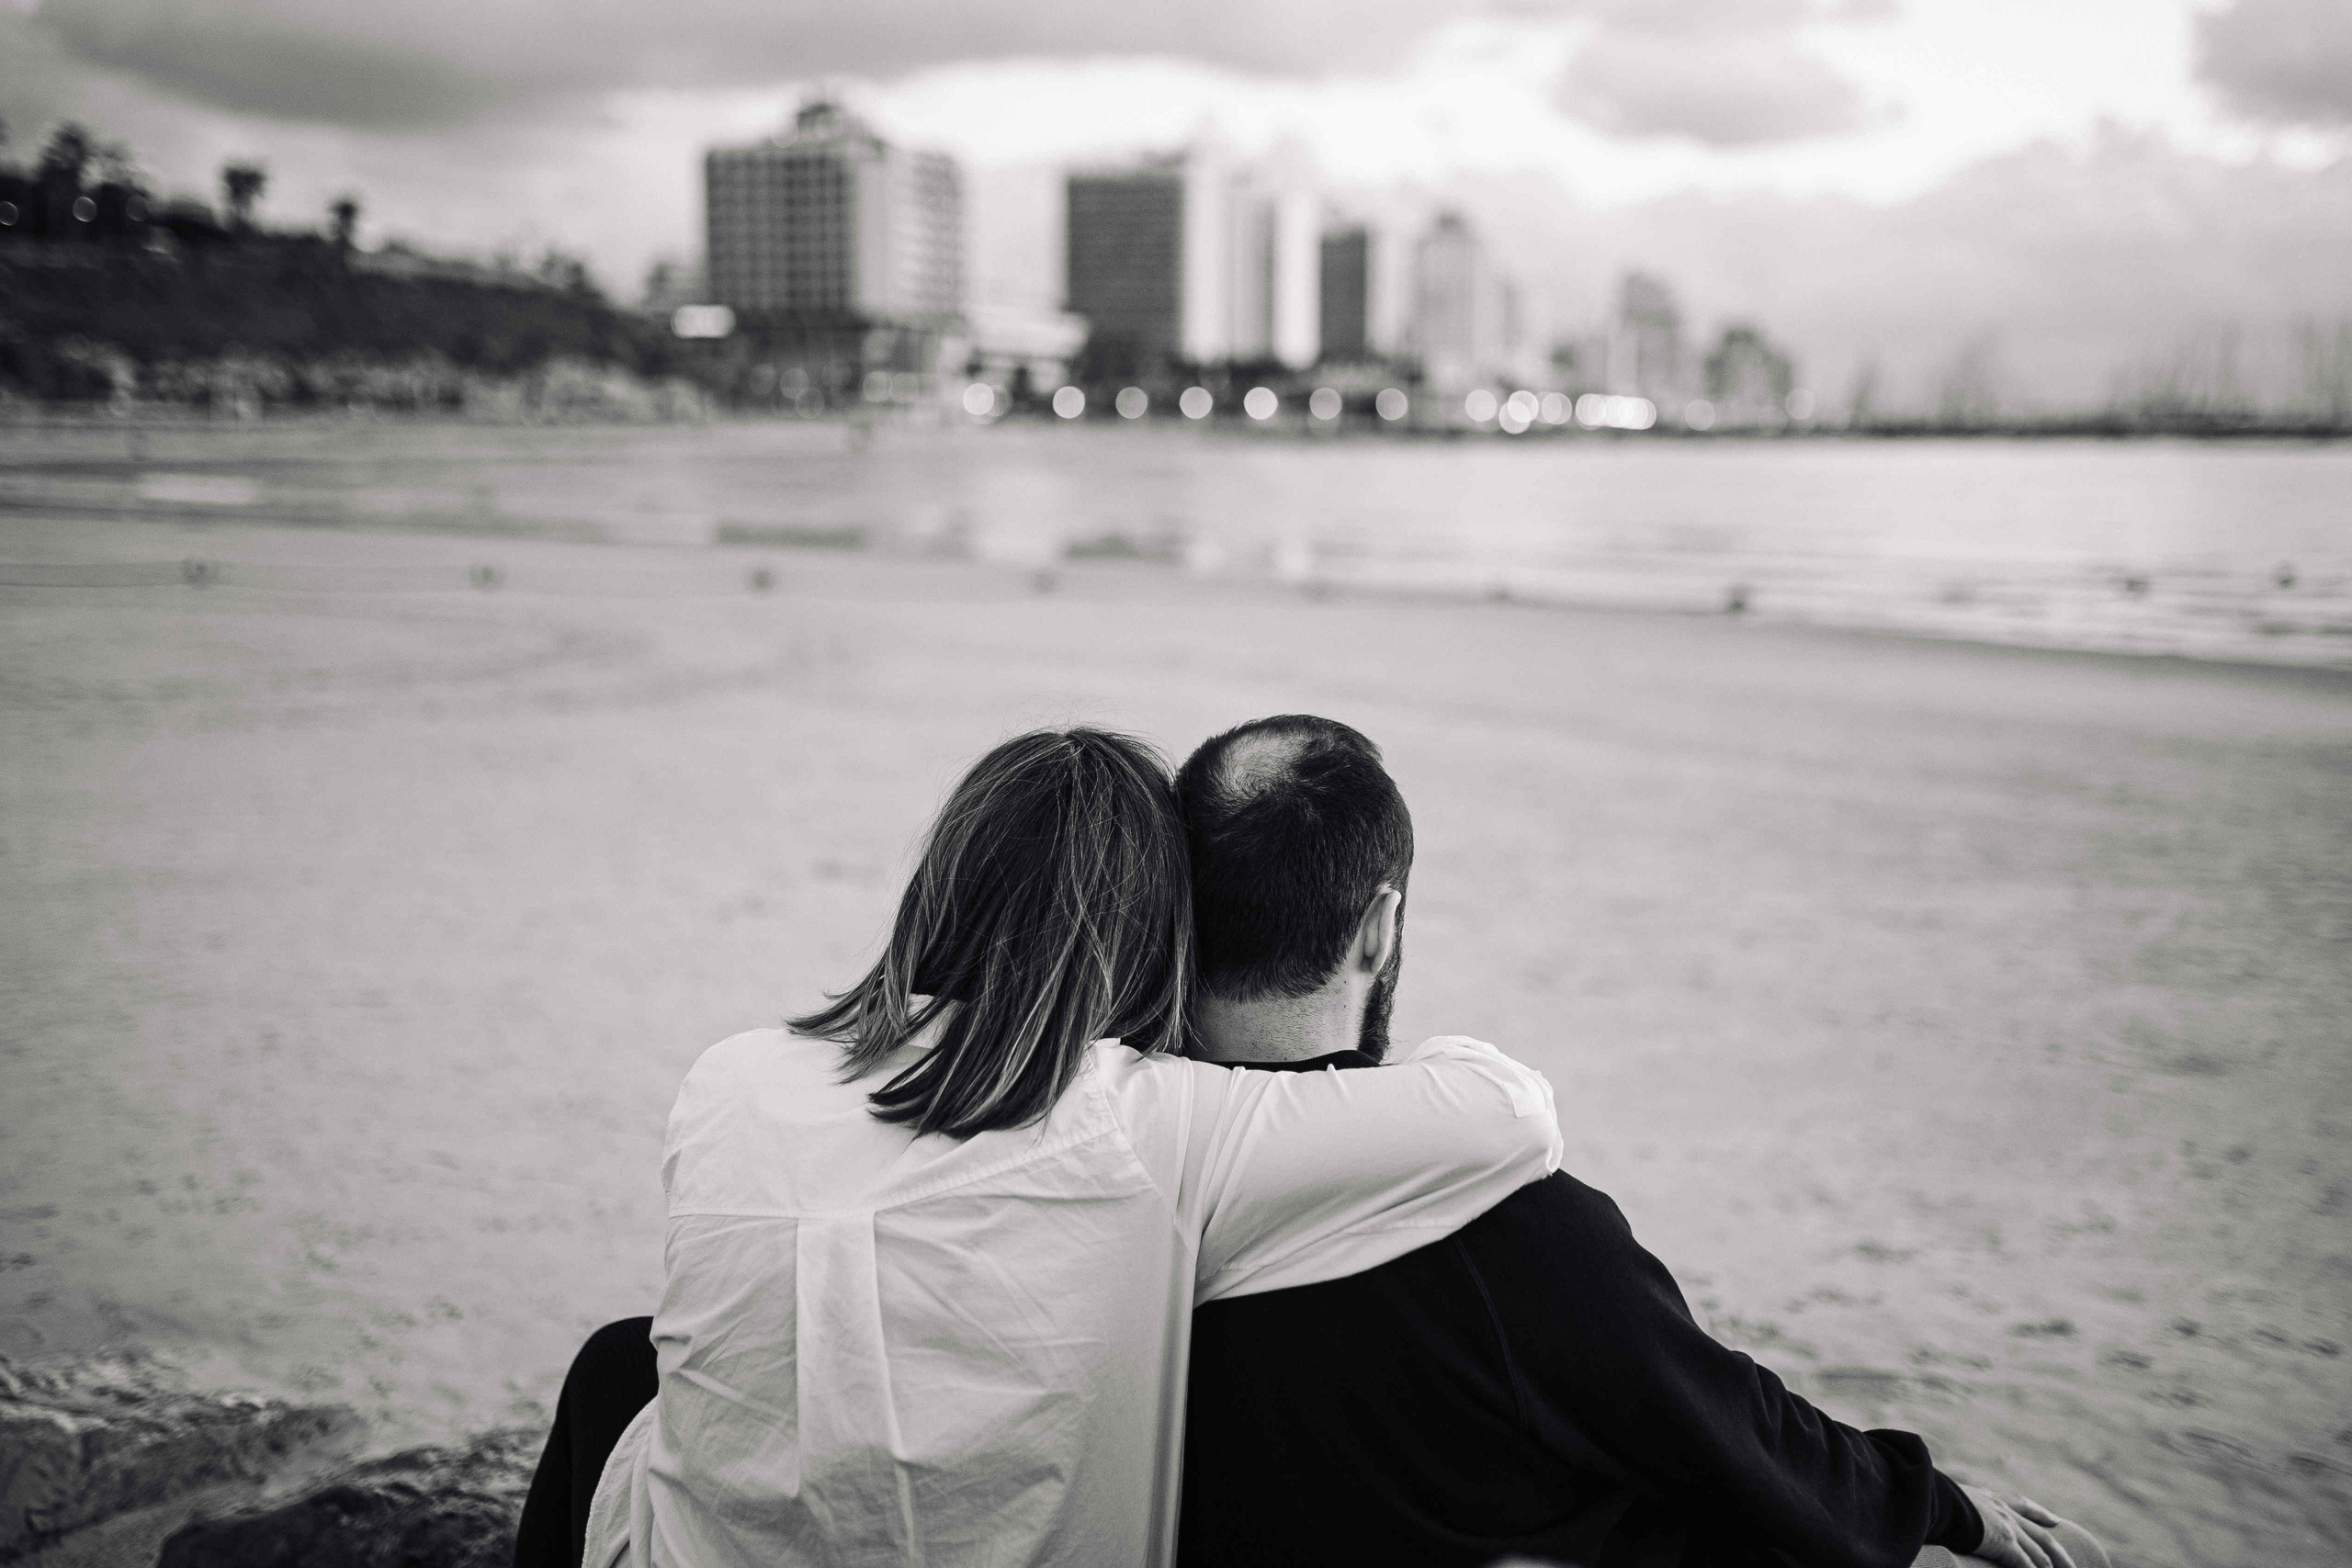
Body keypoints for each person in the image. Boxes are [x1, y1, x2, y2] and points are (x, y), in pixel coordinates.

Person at [514, 726, 1563, 1568]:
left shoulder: (729, 1076)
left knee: (620, 1366)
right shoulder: (1148, 1122)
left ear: (939, 885)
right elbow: (1505, 1113)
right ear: (1151, 934)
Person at [1172, 713, 2110, 1568]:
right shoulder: (1493, 1226)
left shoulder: (1118, 1168)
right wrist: (1945, 1508)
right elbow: (1731, 1432)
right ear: (1379, 929)